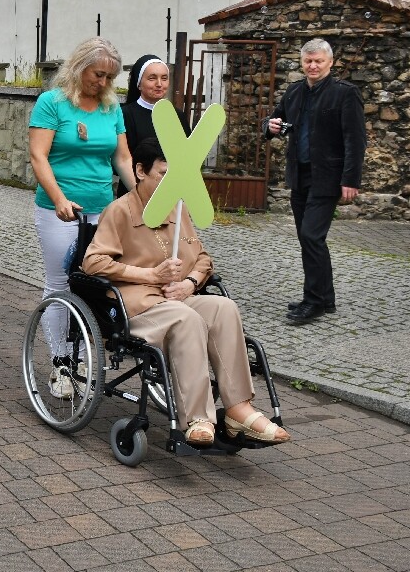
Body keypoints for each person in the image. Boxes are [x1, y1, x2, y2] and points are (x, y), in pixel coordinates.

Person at [82, 138, 291, 446]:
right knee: (187, 319)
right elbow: (93, 262)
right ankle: (197, 417)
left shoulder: (177, 210)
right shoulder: (120, 211)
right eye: (164, 175)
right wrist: (149, 274)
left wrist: (190, 283)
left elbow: (203, 258)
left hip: (177, 297)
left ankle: (237, 410)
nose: (172, 184)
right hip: (138, 305)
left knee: (224, 309)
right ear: (140, 171)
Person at [28, 37, 132, 398]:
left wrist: (140, 198)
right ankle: (60, 363)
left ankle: (86, 356)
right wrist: (58, 198)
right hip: (60, 208)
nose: (102, 83)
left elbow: (121, 158)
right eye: (97, 74)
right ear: (78, 67)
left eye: (109, 77)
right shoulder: (52, 103)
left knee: (99, 281)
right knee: (61, 281)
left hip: (102, 206)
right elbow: (39, 156)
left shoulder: (110, 107)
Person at [264, 38, 366, 323]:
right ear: (302, 62)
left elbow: (355, 140)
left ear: (330, 63)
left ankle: (315, 302)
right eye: (308, 61)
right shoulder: (295, 91)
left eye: (318, 61)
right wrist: (269, 127)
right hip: (300, 174)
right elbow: (275, 122)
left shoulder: (345, 93)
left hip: (328, 177)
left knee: (311, 236)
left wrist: (351, 179)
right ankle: (326, 297)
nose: (312, 65)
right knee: (309, 238)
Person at [122, 54, 191, 156]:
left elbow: (186, 153)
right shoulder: (125, 115)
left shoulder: (177, 115)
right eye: (152, 78)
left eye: (164, 78)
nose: (159, 84)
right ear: (139, 84)